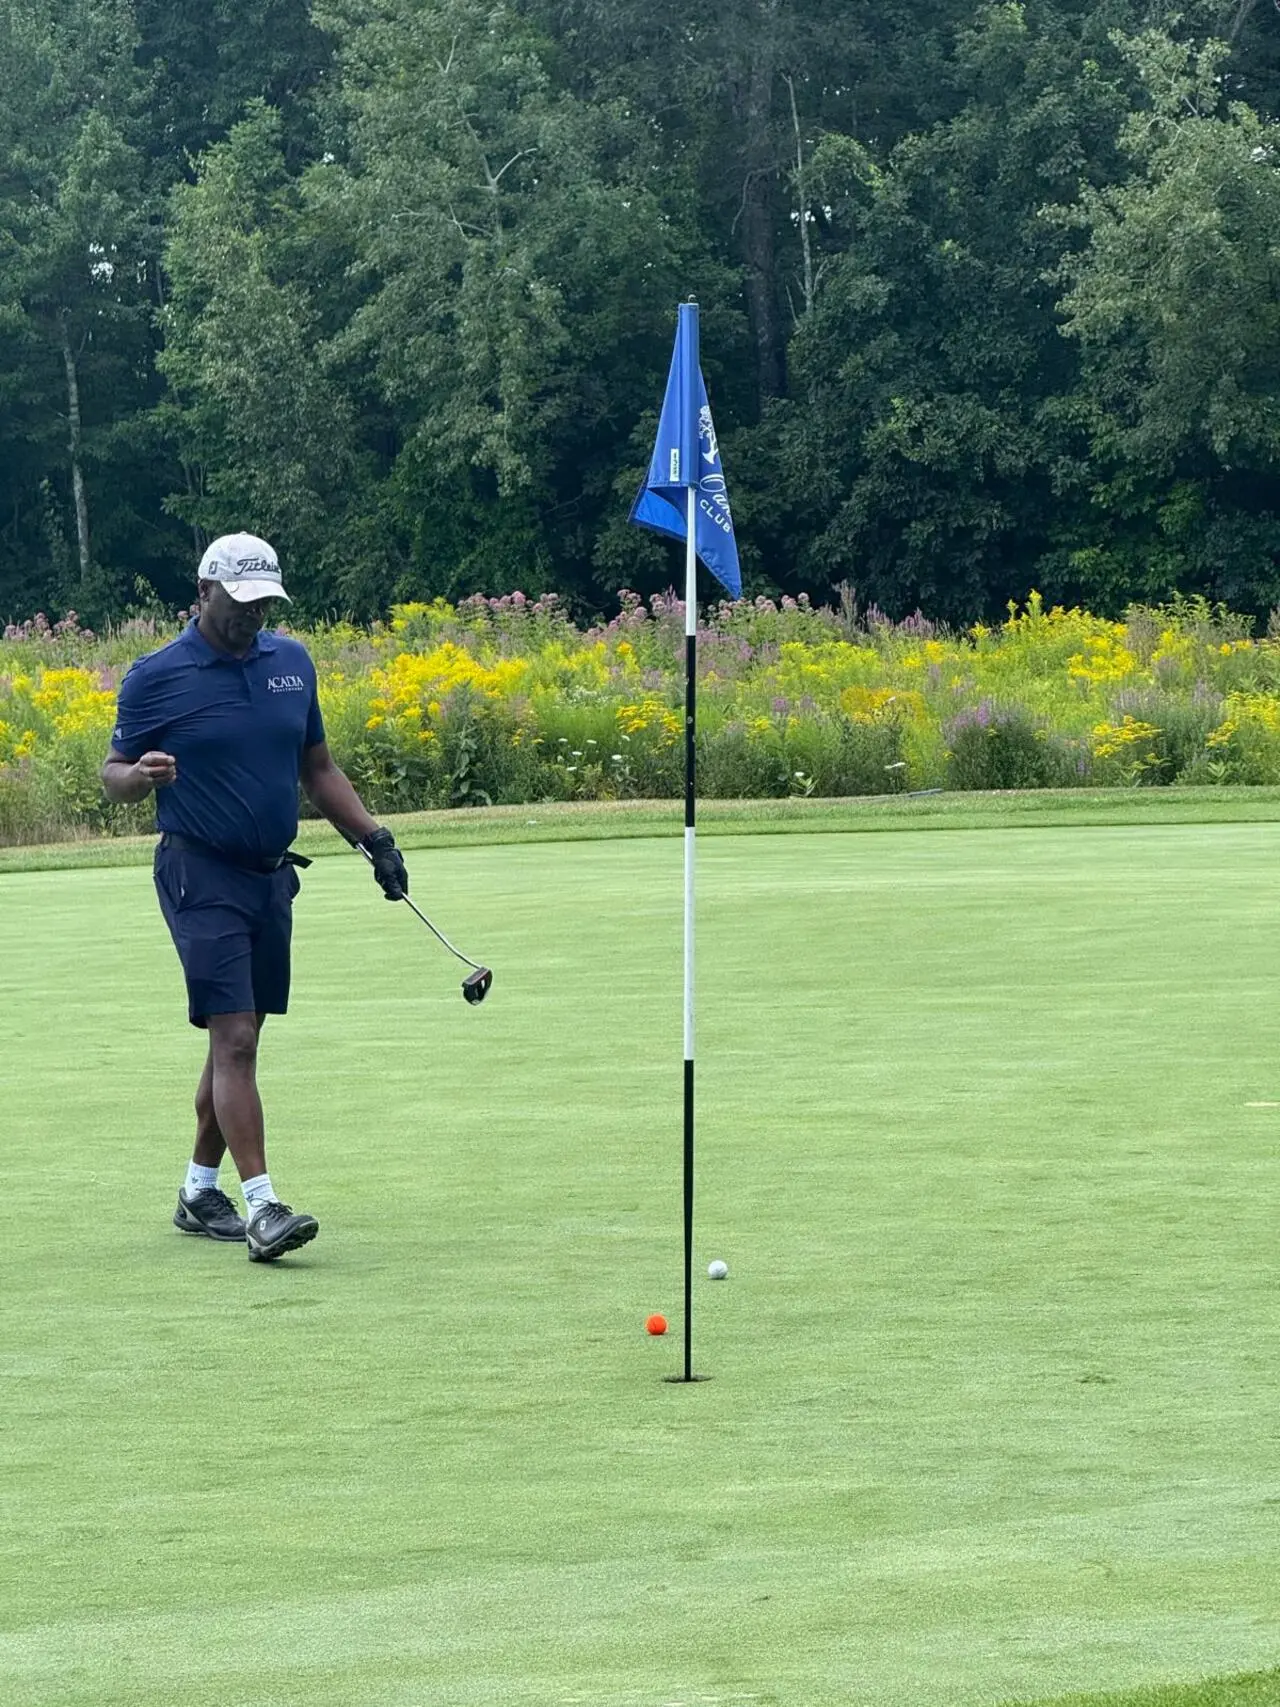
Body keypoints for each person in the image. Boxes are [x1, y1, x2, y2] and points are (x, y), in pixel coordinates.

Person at [101, 533, 409, 1262]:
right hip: (198, 872)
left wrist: (375, 839)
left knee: (237, 1039)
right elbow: (112, 774)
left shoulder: (291, 664)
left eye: (265, 601)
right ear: (204, 591)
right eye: (241, 601)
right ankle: (264, 1208)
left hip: (271, 877)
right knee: (235, 1037)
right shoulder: (157, 676)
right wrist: (139, 777)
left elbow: (318, 768)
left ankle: (198, 1189)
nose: (253, 613)